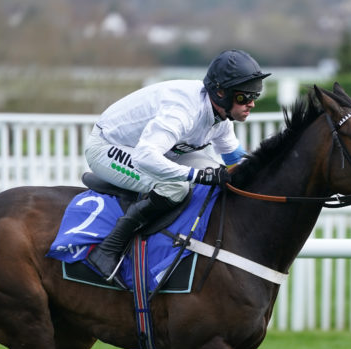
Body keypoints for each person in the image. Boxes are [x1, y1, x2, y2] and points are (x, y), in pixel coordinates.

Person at [84, 49, 270, 282]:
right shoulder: (182, 111)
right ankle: (109, 248)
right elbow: (146, 157)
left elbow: (237, 163)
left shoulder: (221, 117)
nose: (251, 104)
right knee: (177, 187)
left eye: (255, 96)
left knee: (219, 176)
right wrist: (195, 176)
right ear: (221, 93)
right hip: (108, 148)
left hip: (159, 150)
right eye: (244, 97)